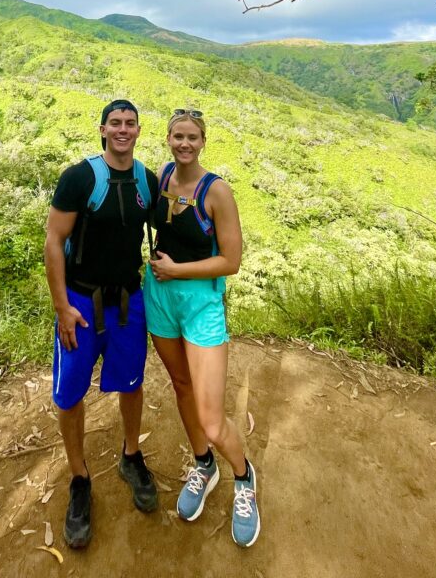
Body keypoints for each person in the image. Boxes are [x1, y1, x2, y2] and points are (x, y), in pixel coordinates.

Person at [143, 108, 261, 548]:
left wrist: (179, 271)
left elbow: (231, 261)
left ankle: (243, 477)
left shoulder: (218, 192)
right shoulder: (161, 177)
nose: (184, 143)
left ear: (203, 141)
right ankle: (202, 465)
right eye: (178, 136)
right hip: (159, 296)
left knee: (212, 420)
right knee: (181, 385)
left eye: (192, 137)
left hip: (199, 303)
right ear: (168, 139)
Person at [45, 98, 159, 550]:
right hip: (80, 302)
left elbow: (166, 232)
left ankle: (131, 455)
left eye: (130, 123)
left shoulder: (146, 181)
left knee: (131, 383)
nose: (123, 130)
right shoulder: (79, 178)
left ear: (137, 131)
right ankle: (79, 479)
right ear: (102, 129)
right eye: (115, 123)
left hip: (128, 302)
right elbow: (54, 241)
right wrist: (61, 306)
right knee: (70, 392)